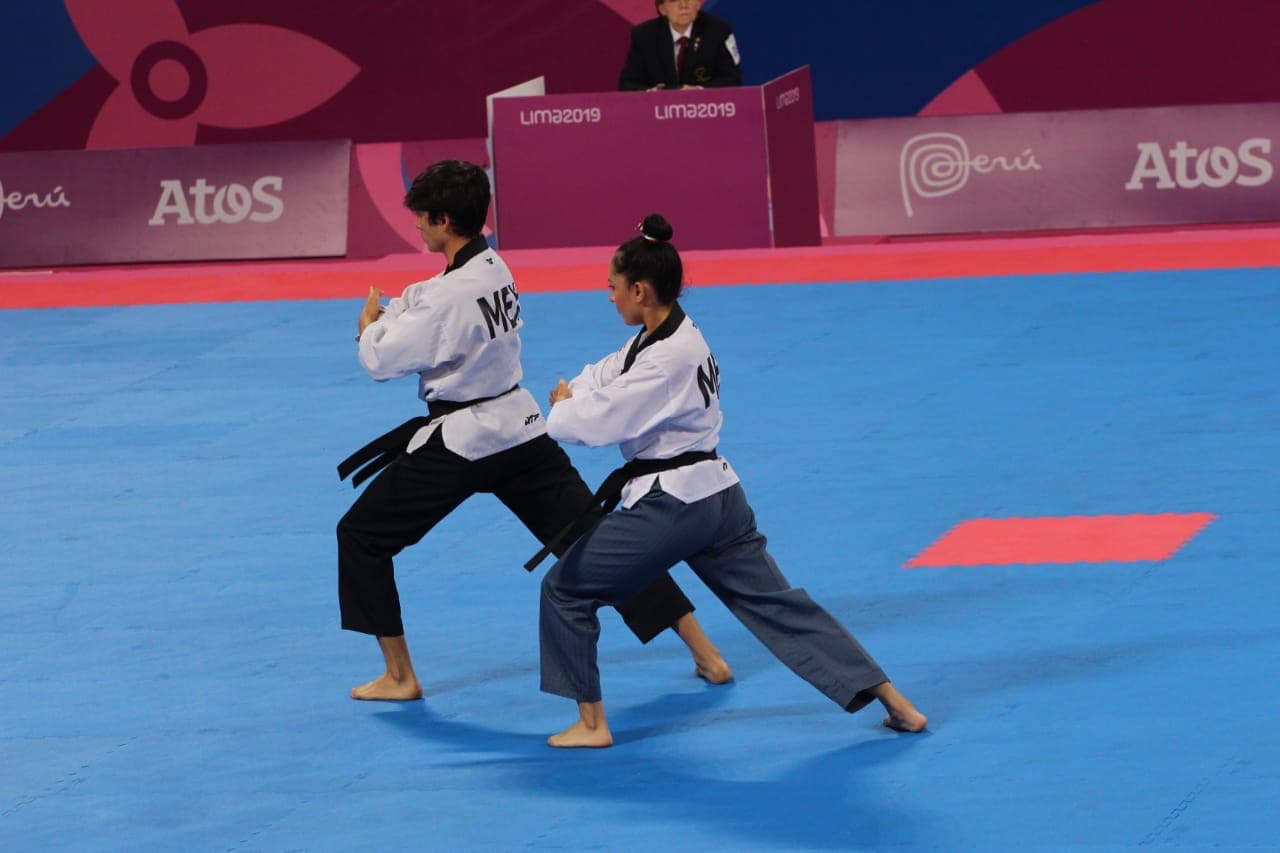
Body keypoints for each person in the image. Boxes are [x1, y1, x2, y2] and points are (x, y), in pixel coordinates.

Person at [336, 162, 731, 702]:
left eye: (423, 217)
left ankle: (400, 676)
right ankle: (706, 653)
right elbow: (429, 296)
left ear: (445, 220)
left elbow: (383, 360)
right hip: (521, 432)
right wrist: (398, 311)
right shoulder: (494, 266)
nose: (417, 226)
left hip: (463, 441)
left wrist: (370, 328)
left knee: (361, 535)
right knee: (594, 540)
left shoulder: (448, 297)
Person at [535, 214, 928, 747]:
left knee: (565, 589)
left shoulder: (664, 360)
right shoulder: (673, 334)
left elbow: (592, 423)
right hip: (720, 499)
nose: (608, 297)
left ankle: (591, 724)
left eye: (612, 287)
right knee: (780, 605)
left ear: (640, 290)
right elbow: (598, 376)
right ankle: (898, 704)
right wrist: (576, 394)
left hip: (672, 506)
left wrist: (562, 408)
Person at [618, 0, 742, 91]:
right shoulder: (644, 35)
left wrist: (699, 90)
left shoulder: (718, 30)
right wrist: (650, 92)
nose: (683, 5)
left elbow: (732, 79)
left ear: (698, 4)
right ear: (662, 9)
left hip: (705, 109)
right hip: (661, 111)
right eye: (674, 0)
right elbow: (628, 83)